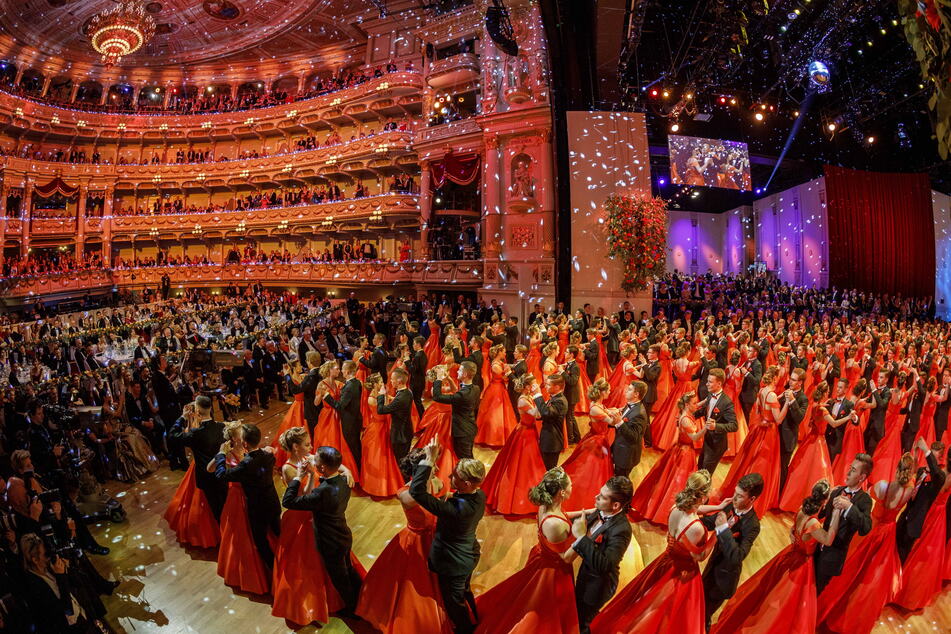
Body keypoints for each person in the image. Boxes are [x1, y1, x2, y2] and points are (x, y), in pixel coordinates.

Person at [710, 480, 841, 633]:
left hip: (789, 554)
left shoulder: (801, 511)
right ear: (824, 501)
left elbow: (793, 530)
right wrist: (837, 512)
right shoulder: (813, 524)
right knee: (785, 605)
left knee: (768, 592)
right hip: (801, 564)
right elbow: (828, 539)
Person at [589, 471, 711, 634]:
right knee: (666, 616)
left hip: (665, 561)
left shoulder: (676, 508)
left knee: (644, 603)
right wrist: (716, 537)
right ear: (703, 497)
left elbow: (694, 511)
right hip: (681, 574)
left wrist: (717, 507)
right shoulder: (696, 527)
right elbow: (699, 556)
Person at [816, 453, 916, 634]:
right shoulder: (909, 491)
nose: (848, 472)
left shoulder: (881, 487)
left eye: (853, 469)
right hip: (888, 532)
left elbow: (867, 512)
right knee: (869, 573)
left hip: (872, 530)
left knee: (852, 566)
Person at [356, 449, 451, 633]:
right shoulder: (404, 494)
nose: (437, 468)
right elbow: (418, 495)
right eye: (433, 466)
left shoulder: (434, 482)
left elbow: (441, 495)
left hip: (434, 537)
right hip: (414, 541)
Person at [475, 467, 580, 633]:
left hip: (540, 558)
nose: (572, 487)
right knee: (543, 610)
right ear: (561, 492)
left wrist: (587, 512)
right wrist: (583, 536)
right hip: (552, 572)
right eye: (570, 484)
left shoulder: (547, 506)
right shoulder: (555, 525)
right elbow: (566, 558)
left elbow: (563, 515)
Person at [410, 439, 486, 634]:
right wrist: (454, 495)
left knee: (455, 603)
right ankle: (473, 616)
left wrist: (429, 459)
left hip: (454, 563)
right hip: (469, 553)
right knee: (464, 592)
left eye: (455, 476)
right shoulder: (479, 495)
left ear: (467, 483)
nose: (450, 476)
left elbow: (416, 492)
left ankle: (466, 629)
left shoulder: (455, 510)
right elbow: (459, 497)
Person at [271, 428, 347, 625]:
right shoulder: (288, 468)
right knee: (304, 562)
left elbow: (332, 464)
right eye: (306, 444)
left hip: (314, 511)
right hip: (299, 517)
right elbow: (299, 497)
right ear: (296, 447)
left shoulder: (311, 458)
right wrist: (310, 476)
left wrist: (345, 470)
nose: (311, 447)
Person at [282, 445, 364, 615]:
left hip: (330, 542)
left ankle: (353, 610)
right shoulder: (345, 480)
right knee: (348, 568)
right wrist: (313, 473)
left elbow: (288, 502)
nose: (312, 459)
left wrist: (298, 478)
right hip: (343, 534)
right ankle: (364, 597)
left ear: (322, 467)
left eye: (316, 460)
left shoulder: (322, 492)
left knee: (340, 578)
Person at [212, 422, 273, 594]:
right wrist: (220, 455)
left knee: (259, 535)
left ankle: (268, 569)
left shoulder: (248, 456)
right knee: (242, 534)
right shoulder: (232, 454)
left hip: (251, 498)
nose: (241, 437)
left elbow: (226, 474)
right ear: (233, 438)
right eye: (239, 434)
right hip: (238, 498)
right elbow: (211, 469)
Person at [717, 366, 787, 513]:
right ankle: (756, 500)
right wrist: (788, 402)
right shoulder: (772, 395)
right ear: (775, 378)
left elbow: (757, 411)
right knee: (763, 465)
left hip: (759, 429)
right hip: (769, 433)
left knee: (750, 460)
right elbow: (779, 419)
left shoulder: (762, 391)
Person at [569, 475, 634, 634]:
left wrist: (581, 538)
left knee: (584, 621)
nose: (596, 497)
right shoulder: (601, 510)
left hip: (598, 585)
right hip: (586, 574)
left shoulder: (622, 530)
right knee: (577, 611)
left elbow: (605, 566)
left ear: (616, 505)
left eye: (602, 497)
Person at [629, 391, 705, 525]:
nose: (696, 405)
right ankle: (668, 514)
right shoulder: (686, 419)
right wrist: (706, 428)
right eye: (694, 403)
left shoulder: (686, 413)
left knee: (667, 478)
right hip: (685, 452)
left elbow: (695, 406)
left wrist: (706, 400)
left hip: (682, 449)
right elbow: (694, 437)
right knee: (677, 482)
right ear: (687, 404)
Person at [699, 473, 764, 629]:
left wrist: (722, 528)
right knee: (698, 604)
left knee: (704, 616)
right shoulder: (731, 506)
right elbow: (709, 522)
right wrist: (689, 521)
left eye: (740, 496)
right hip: (711, 568)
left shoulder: (753, 525)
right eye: (735, 493)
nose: (734, 498)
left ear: (752, 499)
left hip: (723, 579)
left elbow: (737, 556)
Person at [892, 441, 951, 610]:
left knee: (908, 551)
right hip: (914, 513)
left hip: (929, 514)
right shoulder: (930, 473)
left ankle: (898, 584)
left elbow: (937, 482)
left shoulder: (941, 477)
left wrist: (926, 451)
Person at [481, 374, 547, 516]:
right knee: (522, 465)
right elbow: (536, 414)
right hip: (524, 435)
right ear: (528, 386)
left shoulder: (527, 397)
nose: (536, 385)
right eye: (534, 384)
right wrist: (539, 396)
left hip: (529, 432)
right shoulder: (523, 400)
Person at [813, 452, 874, 593]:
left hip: (832, 558)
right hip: (815, 549)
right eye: (850, 468)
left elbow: (865, 528)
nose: (847, 472)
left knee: (816, 591)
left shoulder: (864, 500)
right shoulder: (837, 491)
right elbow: (820, 514)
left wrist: (849, 507)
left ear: (862, 477)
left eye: (853, 470)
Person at [168, 395, 226, 519]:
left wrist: (183, 417)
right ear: (211, 408)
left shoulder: (195, 434)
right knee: (224, 504)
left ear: (197, 411)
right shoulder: (221, 427)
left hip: (205, 476)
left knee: (215, 509)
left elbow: (173, 435)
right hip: (222, 472)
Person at [896, 438, 948, 561]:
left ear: (939, 460)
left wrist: (925, 450)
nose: (928, 457)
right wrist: (915, 453)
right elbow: (914, 473)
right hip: (906, 515)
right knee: (895, 544)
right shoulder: (921, 471)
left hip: (916, 522)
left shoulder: (939, 477)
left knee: (904, 554)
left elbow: (935, 472)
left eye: (931, 456)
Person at [362, 374, 404, 498]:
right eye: (380, 381)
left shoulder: (382, 394)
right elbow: (380, 414)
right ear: (375, 384)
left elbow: (392, 399)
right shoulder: (371, 399)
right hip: (377, 429)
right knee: (380, 456)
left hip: (386, 426)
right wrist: (385, 397)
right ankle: (379, 487)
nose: (382, 382)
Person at [432, 361, 481, 460]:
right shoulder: (475, 388)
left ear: (465, 374)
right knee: (467, 458)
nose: (457, 371)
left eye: (460, 370)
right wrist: (449, 379)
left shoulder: (463, 395)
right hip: (470, 427)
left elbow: (437, 397)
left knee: (465, 460)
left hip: (462, 431)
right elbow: (456, 392)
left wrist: (438, 379)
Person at [321, 359, 364, 470]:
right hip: (356, 419)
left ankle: (357, 470)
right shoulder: (357, 382)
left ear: (348, 371)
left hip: (349, 422)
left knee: (352, 448)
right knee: (356, 446)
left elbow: (339, 406)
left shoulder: (349, 387)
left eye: (343, 369)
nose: (341, 372)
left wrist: (326, 396)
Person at [693, 368, 737, 474]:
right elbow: (705, 410)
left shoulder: (727, 403)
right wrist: (690, 416)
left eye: (710, 382)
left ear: (719, 384)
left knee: (705, 473)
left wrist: (716, 426)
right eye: (707, 381)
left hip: (716, 445)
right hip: (708, 439)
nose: (706, 384)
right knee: (700, 467)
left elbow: (734, 425)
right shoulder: (710, 394)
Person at [474, 345, 518, 448]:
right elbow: (503, 377)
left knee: (503, 412)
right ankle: (493, 438)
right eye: (504, 352)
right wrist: (508, 372)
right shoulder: (495, 365)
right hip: (495, 389)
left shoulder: (500, 362)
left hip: (500, 388)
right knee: (494, 413)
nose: (505, 354)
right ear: (499, 353)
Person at [778, 368, 809, 491]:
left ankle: (779, 494)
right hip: (776, 434)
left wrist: (792, 400)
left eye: (794, 380)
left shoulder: (803, 399)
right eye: (790, 378)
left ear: (800, 383)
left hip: (787, 438)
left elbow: (798, 418)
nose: (790, 381)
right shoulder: (787, 389)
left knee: (782, 468)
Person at [377, 367, 415, 463]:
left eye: (392, 379)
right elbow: (399, 402)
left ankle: (403, 478)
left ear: (399, 381)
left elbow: (381, 410)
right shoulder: (408, 392)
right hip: (407, 431)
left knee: (400, 461)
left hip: (400, 435)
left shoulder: (400, 399)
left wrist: (381, 395)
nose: (390, 381)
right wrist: (391, 397)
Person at [612, 380, 647, 477]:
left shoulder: (639, 414)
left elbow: (633, 436)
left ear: (636, 394)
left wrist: (620, 422)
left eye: (629, 389)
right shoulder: (631, 405)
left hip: (626, 456)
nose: (626, 391)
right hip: (621, 449)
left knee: (621, 481)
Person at [534, 373, 569, 470]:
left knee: (549, 470)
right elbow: (548, 415)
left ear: (557, 387)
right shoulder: (554, 398)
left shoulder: (560, 401)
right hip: (548, 440)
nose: (546, 386)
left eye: (548, 385)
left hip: (552, 442)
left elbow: (547, 413)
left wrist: (537, 394)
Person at [562, 345, 582, 443]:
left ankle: (571, 438)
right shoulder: (569, 364)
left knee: (569, 417)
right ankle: (576, 437)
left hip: (572, 395)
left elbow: (573, 381)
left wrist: (562, 372)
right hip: (569, 394)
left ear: (571, 354)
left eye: (566, 352)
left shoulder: (575, 367)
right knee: (570, 416)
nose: (564, 353)